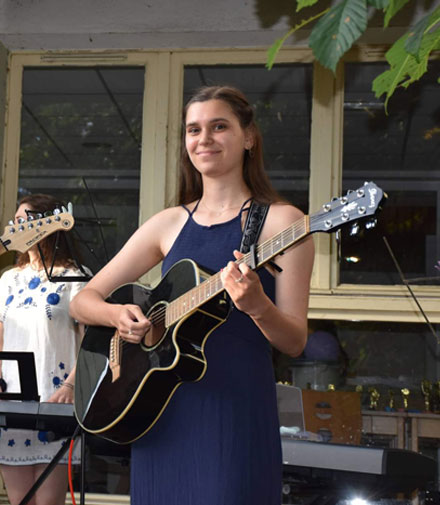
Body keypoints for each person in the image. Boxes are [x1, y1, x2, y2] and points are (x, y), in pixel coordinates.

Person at [69, 85, 315, 504]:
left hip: (233, 413)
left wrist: (257, 306)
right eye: (193, 129)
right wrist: (117, 317)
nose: (204, 139)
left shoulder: (283, 223)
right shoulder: (167, 223)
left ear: (249, 137)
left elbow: (294, 341)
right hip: (158, 411)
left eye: (219, 126)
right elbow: (83, 300)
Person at [0, 193, 89, 505]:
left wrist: (71, 385)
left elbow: (92, 342)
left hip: (55, 401)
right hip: (9, 406)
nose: (15, 226)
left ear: (47, 225)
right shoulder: (8, 280)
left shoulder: (75, 279)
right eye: (15, 220)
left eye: (23, 220)